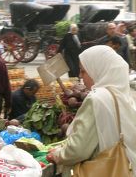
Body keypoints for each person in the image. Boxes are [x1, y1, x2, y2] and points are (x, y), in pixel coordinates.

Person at [47, 45, 136, 177]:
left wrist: (57, 154)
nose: (79, 76)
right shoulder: (123, 96)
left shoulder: (96, 99)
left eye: (83, 71)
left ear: (97, 70)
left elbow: (78, 149)